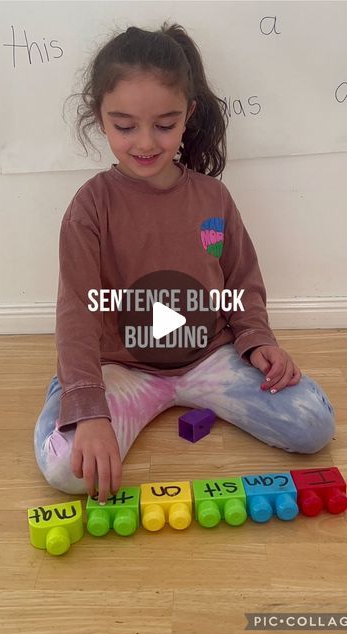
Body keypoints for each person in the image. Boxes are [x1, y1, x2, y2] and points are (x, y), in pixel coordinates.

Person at [34, 22, 335, 506]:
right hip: (123, 366)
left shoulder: (212, 199)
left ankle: (184, 390)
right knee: (66, 467)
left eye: (165, 124)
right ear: (100, 117)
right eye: (125, 126)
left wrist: (257, 340)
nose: (145, 142)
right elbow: (77, 312)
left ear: (189, 115)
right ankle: (74, 390)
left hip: (209, 358)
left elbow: (239, 281)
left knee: (314, 424)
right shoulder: (90, 207)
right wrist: (89, 407)